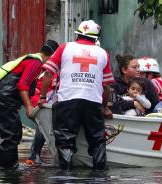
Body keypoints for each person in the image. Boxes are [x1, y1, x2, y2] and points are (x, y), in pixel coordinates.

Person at [38, 20, 114, 170]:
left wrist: (42, 97)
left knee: (65, 141)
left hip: (67, 100)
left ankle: (65, 175)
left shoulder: (65, 47)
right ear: (96, 38)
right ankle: (99, 175)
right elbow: (106, 87)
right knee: (97, 141)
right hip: (93, 101)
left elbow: (47, 73)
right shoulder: (103, 53)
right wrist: (104, 107)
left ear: (78, 34)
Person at [0, 39, 59, 169]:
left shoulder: (31, 60)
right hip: (2, 97)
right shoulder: (36, 63)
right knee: (11, 135)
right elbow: (22, 85)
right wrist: (29, 107)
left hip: (0, 96)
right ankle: (8, 171)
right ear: (52, 56)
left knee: (13, 134)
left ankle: (10, 167)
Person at [25, 71, 59, 165]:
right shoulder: (51, 74)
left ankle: (34, 155)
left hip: (43, 103)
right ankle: (34, 155)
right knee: (43, 128)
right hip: (42, 104)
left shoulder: (49, 73)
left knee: (43, 128)